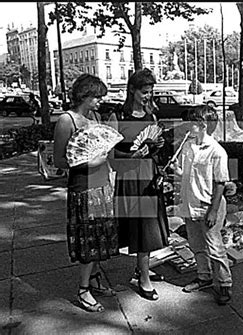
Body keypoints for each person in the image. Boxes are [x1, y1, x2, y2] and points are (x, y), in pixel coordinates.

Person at [53, 74, 119, 313]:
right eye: (97, 97)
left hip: (102, 185)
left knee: (101, 237)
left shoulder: (96, 117)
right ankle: (83, 289)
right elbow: (59, 159)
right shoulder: (66, 120)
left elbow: (103, 149)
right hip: (82, 188)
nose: (100, 101)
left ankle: (94, 278)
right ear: (84, 95)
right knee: (88, 240)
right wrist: (88, 163)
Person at [108, 68, 168, 301]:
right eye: (144, 91)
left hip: (149, 175)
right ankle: (144, 277)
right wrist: (130, 157)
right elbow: (110, 155)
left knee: (150, 228)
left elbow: (153, 148)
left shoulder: (152, 116)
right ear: (131, 90)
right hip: (130, 178)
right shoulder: (118, 117)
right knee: (142, 228)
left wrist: (157, 146)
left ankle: (142, 269)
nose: (148, 96)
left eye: (151, 92)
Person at [169, 105, 233, 306]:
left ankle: (224, 284)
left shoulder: (216, 151)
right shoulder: (188, 146)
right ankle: (204, 277)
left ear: (202, 125)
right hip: (191, 203)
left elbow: (220, 183)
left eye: (192, 123)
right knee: (196, 245)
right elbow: (191, 176)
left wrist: (213, 211)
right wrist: (177, 171)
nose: (188, 126)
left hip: (208, 206)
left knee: (215, 247)